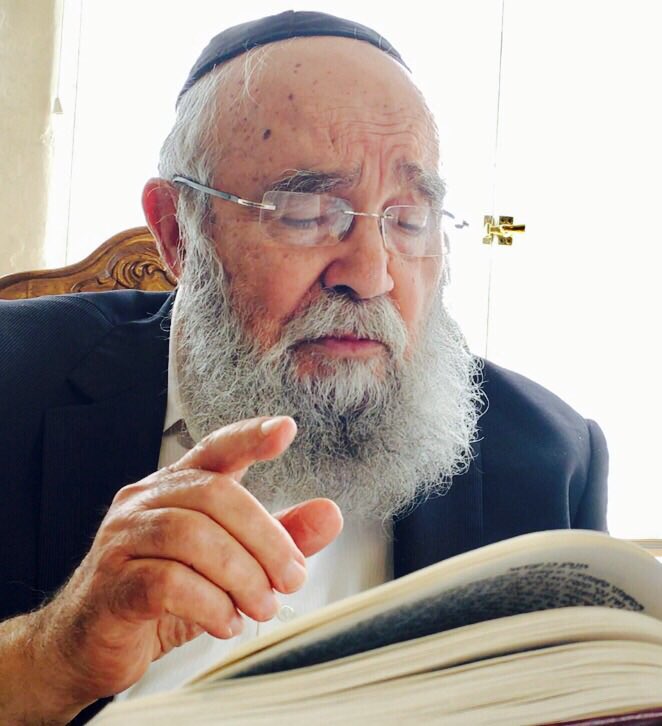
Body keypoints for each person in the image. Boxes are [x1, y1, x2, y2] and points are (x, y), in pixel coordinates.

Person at [0, 11, 608, 724]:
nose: (372, 274)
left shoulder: (549, 459)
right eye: (308, 212)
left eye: (409, 219)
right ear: (177, 231)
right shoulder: (14, 380)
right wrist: (52, 657)